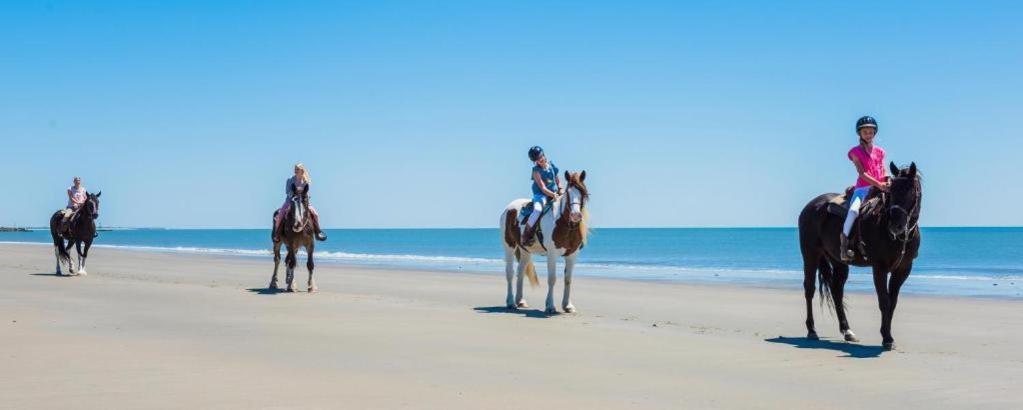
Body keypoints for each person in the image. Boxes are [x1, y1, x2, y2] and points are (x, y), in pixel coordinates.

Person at [841, 116, 890, 262]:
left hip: (881, 188)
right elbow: (862, 173)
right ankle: (844, 246)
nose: (868, 134)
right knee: (853, 211)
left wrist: (887, 180)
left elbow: (883, 168)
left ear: (874, 133)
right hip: (863, 189)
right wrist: (878, 184)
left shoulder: (880, 151)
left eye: (870, 132)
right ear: (860, 134)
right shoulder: (854, 152)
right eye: (865, 132)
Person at [273, 163, 327, 242]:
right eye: (295, 169)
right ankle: (277, 234)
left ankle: (317, 232)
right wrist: (295, 194)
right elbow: (287, 191)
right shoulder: (290, 179)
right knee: (280, 215)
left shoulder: (306, 181)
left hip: (303, 202)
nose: (295, 171)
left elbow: (307, 192)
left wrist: (306, 196)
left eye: (297, 169)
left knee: (315, 214)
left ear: (302, 170)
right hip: (291, 201)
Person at [521, 146, 562, 246]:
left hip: (555, 193)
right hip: (541, 196)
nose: (540, 160)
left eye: (541, 157)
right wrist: (553, 195)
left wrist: (561, 189)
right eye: (537, 160)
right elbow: (543, 188)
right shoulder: (536, 171)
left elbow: (558, 181)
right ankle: (526, 234)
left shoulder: (552, 165)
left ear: (543, 154)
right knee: (537, 211)